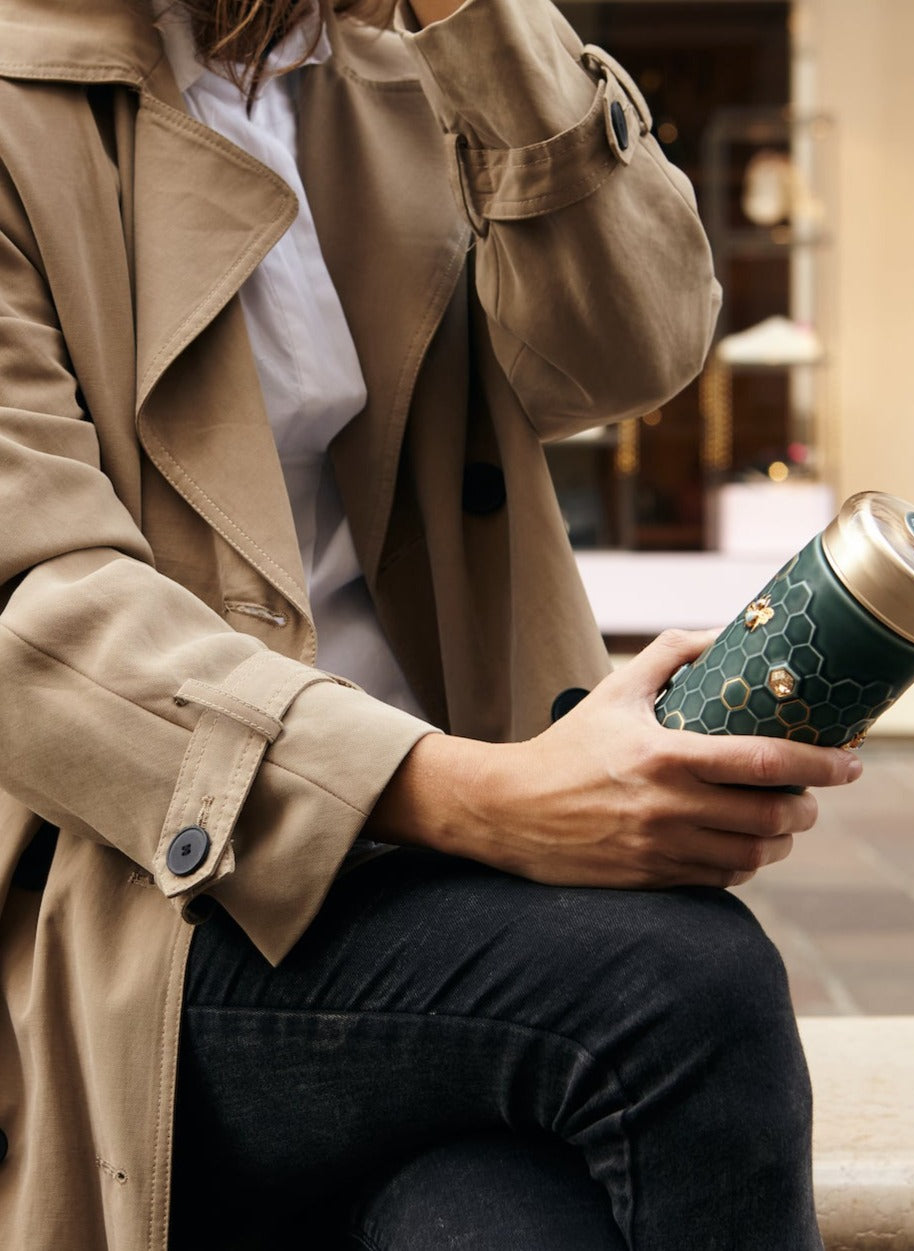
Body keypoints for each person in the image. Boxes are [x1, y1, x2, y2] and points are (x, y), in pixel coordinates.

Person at [0, 0, 863, 1246]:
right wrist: (482, 797)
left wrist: (481, 26)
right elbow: (37, 609)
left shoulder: (394, 66)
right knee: (679, 983)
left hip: (450, 894)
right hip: (152, 904)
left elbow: (637, 351)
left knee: (501, 1223)